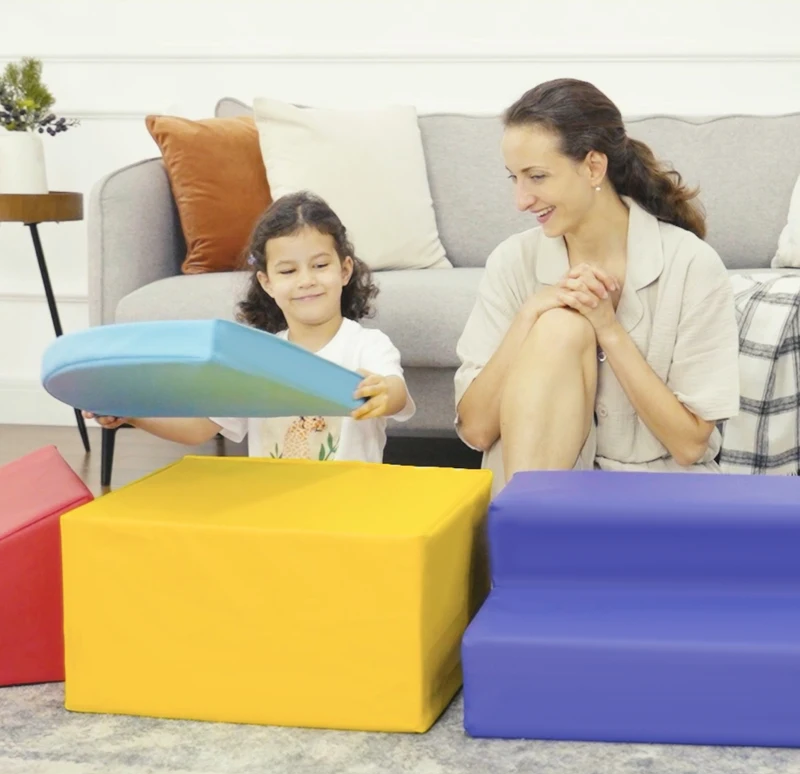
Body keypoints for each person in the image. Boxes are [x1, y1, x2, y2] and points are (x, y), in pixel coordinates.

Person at [455, 78, 740, 496]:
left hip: (654, 490)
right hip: (531, 491)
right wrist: (529, 316)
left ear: (593, 166)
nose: (521, 200)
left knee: (566, 325)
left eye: (536, 177)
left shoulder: (691, 264)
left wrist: (608, 327)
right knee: (556, 326)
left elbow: (689, 443)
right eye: (514, 178)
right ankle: (531, 539)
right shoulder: (512, 262)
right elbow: (478, 431)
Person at [85, 191, 415, 463]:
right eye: (288, 271)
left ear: (344, 271)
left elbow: (395, 393)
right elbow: (200, 427)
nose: (306, 281)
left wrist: (385, 391)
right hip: (273, 512)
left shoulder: (367, 345)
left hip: (348, 512)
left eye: (319, 265)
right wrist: (132, 414)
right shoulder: (258, 358)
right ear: (267, 282)